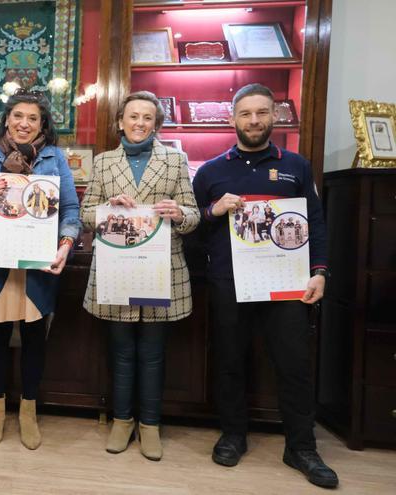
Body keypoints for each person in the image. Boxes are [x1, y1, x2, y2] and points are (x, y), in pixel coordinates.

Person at [192, 83, 337, 488]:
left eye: (261, 112)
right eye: (245, 113)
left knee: (293, 365)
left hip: (287, 285)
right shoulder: (210, 172)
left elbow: (317, 224)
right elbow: (193, 229)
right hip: (229, 284)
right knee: (229, 362)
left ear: (275, 115)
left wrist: (320, 272)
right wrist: (212, 210)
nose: (253, 121)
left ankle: (302, 447)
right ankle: (234, 435)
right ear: (232, 119)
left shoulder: (296, 166)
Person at [79, 91, 199, 461]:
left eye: (147, 118)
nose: (139, 124)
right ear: (120, 121)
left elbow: (194, 216)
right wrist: (107, 209)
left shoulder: (175, 160)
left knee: (152, 354)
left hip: (160, 271)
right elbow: (86, 215)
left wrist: (178, 213)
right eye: (133, 117)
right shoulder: (103, 162)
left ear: (156, 125)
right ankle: (122, 421)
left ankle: (150, 425)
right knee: (121, 352)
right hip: (119, 271)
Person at [0, 89, 80, 450]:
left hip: (37, 263)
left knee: (33, 339)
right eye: (17, 116)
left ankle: (28, 409)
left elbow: (71, 211)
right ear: (7, 120)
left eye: (32, 118)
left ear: (42, 124)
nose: (24, 124)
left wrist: (65, 245)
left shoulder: (55, 159)